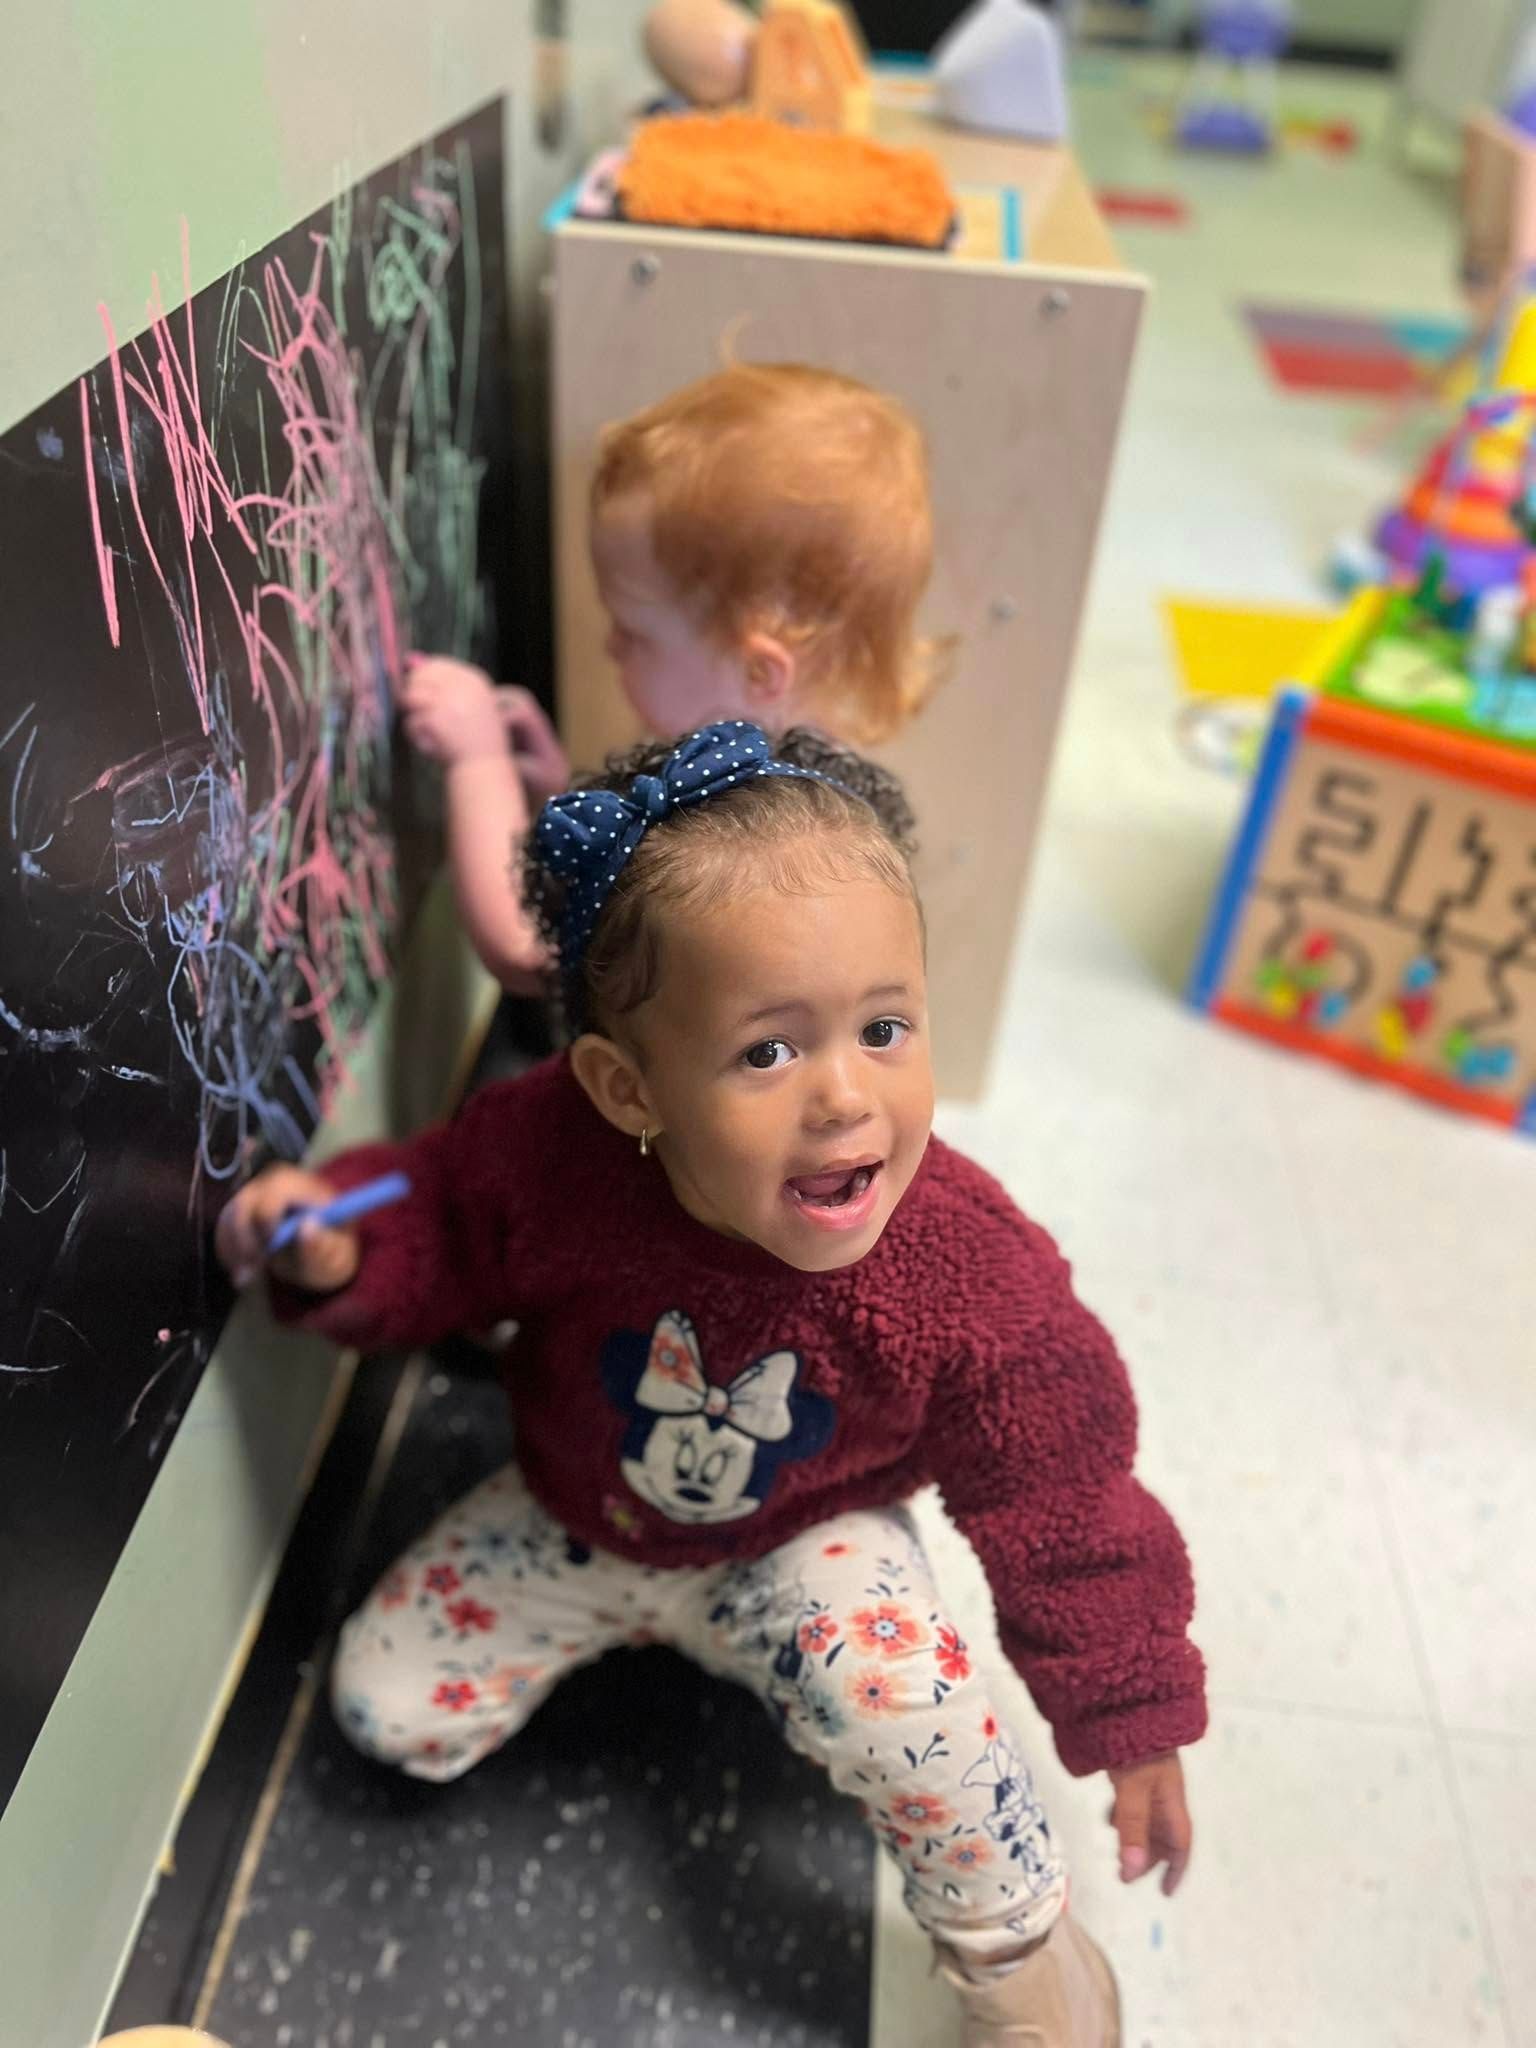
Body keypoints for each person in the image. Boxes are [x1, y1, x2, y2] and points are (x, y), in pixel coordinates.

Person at [218, 723, 1203, 2048]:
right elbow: (435, 1213)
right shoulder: (549, 1157)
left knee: (904, 1704)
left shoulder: (969, 1268)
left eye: (887, 1026)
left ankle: (1029, 1960)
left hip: (802, 1540)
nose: (849, 1098)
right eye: (767, 1052)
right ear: (629, 1087)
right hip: (582, 1510)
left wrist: (1132, 1712)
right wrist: (338, 1241)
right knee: (382, 1711)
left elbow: (1066, 1495)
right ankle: (634, 1631)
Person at [397, 362, 942, 991]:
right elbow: (622, 883)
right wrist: (557, 799)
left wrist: (478, 763)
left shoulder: (747, 853)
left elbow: (528, 953)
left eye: (634, 631)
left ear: (759, 671)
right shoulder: (795, 781)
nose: (609, 645)